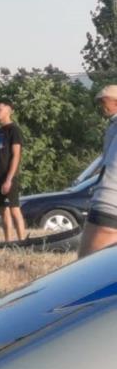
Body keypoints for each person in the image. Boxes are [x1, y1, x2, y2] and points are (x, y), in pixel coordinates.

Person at [80, 85, 117, 257]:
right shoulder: (113, 124)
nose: (102, 107)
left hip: (109, 204)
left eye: (104, 102)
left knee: (87, 269)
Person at [0, 98, 27, 242]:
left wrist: (9, 179)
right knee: (2, 210)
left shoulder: (14, 130)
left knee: (14, 208)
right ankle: (8, 242)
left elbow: (16, 155)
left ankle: (22, 240)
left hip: (8, 176)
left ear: (8, 110)